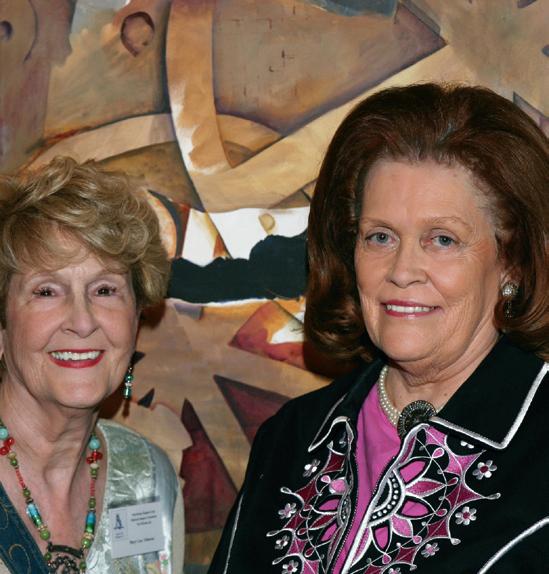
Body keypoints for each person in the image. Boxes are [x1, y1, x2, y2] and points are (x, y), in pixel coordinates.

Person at [208, 83, 549, 573]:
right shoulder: (292, 435)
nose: (402, 271)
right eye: (381, 237)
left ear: (511, 262)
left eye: (442, 240)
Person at [0, 157, 184, 573]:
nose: (82, 322)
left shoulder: (148, 479)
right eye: (47, 291)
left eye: (104, 290)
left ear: (136, 320)